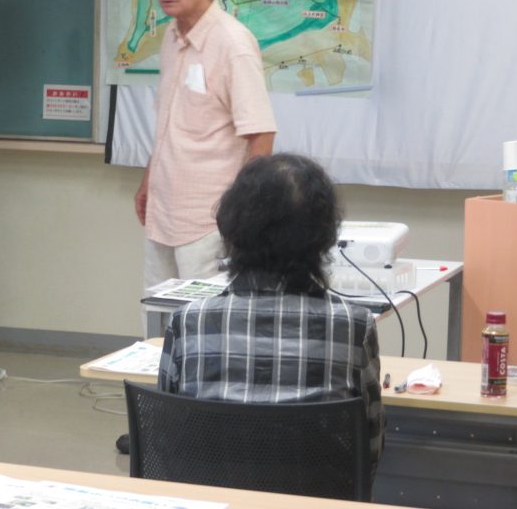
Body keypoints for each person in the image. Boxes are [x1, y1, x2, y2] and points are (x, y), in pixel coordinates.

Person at [158, 153, 384, 474]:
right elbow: (370, 445)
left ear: (232, 227)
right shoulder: (353, 325)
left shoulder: (189, 321)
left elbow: (168, 437)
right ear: (324, 236)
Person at [135, 0, 276, 289]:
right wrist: (148, 179)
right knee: (159, 319)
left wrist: (241, 213)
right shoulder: (170, 36)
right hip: (163, 213)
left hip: (209, 219)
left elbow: (260, 133)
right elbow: (170, 121)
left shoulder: (232, 42)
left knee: (204, 328)